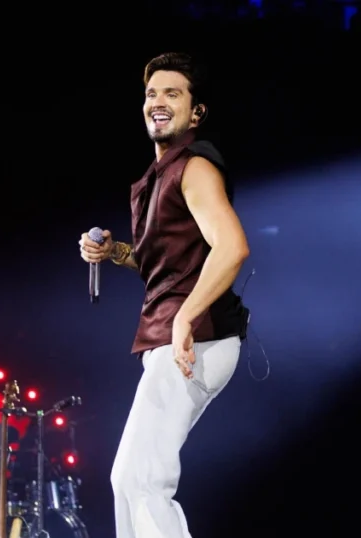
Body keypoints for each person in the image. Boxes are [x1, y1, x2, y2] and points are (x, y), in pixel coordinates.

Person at [79, 52, 251, 538]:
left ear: (196, 113)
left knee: (143, 481)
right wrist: (114, 251)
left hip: (198, 337)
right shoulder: (157, 178)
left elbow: (232, 247)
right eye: (151, 93)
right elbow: (166, 263)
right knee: (129, 480)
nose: (158, 101)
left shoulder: (194, 168)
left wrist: (184, 318)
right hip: (176, 336)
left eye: (172, 94)